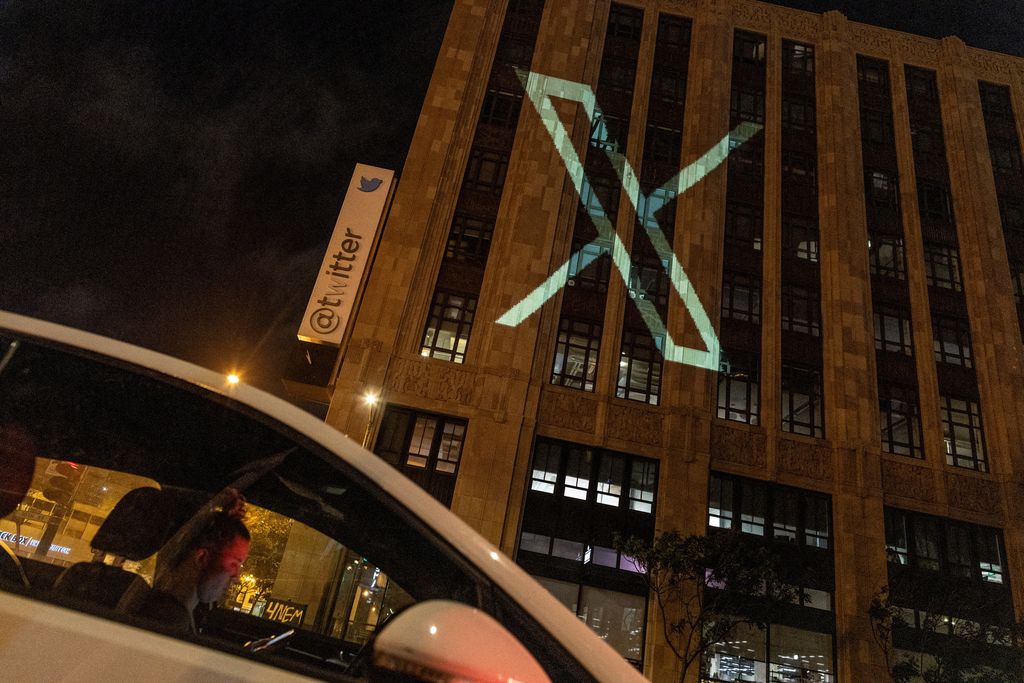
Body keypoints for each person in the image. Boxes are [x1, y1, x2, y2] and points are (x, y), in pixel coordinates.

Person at [131, 489, 251, 635]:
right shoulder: (169, 622)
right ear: (202, 558)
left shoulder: (160, 607)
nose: (236, 577)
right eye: (234, 564)